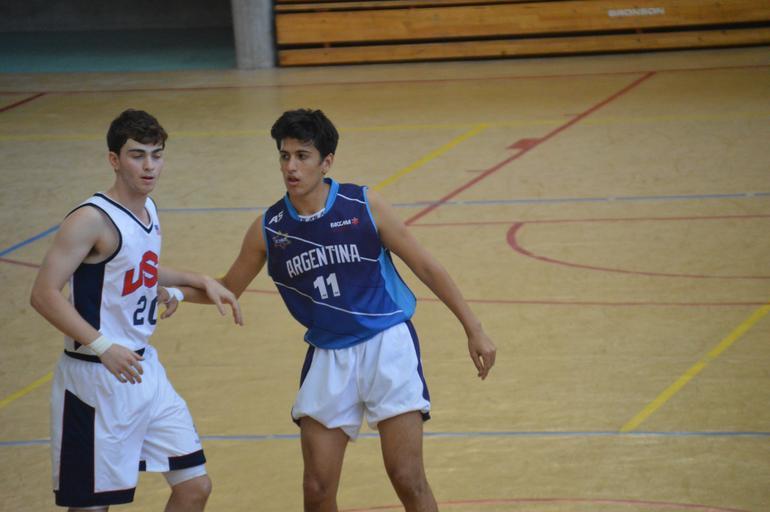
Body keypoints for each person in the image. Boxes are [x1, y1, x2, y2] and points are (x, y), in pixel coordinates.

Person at [183, 108, 497, 512]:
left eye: (302, 156)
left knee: (407, 477)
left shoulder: (363, 204)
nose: (291, 167)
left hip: (386, 345)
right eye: (284, 156)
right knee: (316, 489)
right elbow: (226, 288)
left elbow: (426, 266)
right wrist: (167, 291)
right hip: (329, 354)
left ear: (326, 162)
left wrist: (474, 328)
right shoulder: (270, 228)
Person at [30, 109, 242, 511]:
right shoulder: (90, 219)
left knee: (195, 486)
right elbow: (43, 294)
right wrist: (102, 346)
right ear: (114, 159)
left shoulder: (148, 210)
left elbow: (138, 264)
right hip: (96, 378)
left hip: (145, 372)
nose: (149, 166)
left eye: (156, 155)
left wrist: (198, 279)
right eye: (137, 155)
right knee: (92, 506)